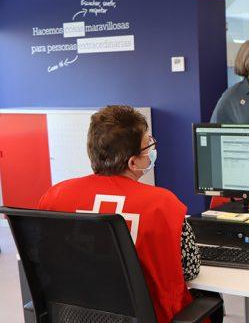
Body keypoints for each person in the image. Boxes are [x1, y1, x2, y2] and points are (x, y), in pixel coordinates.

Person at [37, 106, 223, 323]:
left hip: (76, 315)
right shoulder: (162, 204)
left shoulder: (55, 196)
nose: (152, 149)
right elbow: (190, 270)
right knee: (211, 299)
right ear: (133, 162)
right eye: (148, 145)